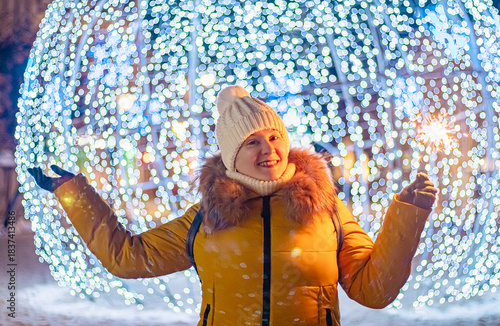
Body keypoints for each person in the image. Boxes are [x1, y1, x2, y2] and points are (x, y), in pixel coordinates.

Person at [28, 85, 437, 326]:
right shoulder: (206, 219)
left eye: (274, 137)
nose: (269, 150)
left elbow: (374, 291)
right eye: (252, 142)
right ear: (229, 156)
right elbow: (127, 258)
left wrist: (408, 215)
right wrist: (73, 193)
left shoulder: (326, 210)